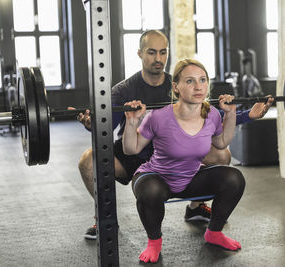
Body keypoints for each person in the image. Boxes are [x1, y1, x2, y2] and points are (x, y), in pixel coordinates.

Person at [76, 30, 273, 240]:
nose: (158, 59)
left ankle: (196, 207)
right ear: (139, 54)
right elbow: (108, 126)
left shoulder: (180, 85)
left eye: (163, 52)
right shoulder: (123, 90)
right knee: (88, 160)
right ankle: (106, 220)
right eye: (152, 52)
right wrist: (93, 125)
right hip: (135, 154)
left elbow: (210, 116)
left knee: (222, 154)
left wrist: (248, 115)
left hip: (173, 153)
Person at [123, 58, 245, 263]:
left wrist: (230, 116)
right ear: (176, 87)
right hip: (156, 177)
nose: (198, 87)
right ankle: (154, 241)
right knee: (150, 191)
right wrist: (131, 122)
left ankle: (214, 232)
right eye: (189, 81)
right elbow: (131, 149)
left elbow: (222, 142)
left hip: (190, 178)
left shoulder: (212, 114)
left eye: (202, 80)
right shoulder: (158, 117)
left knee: (234, 178)